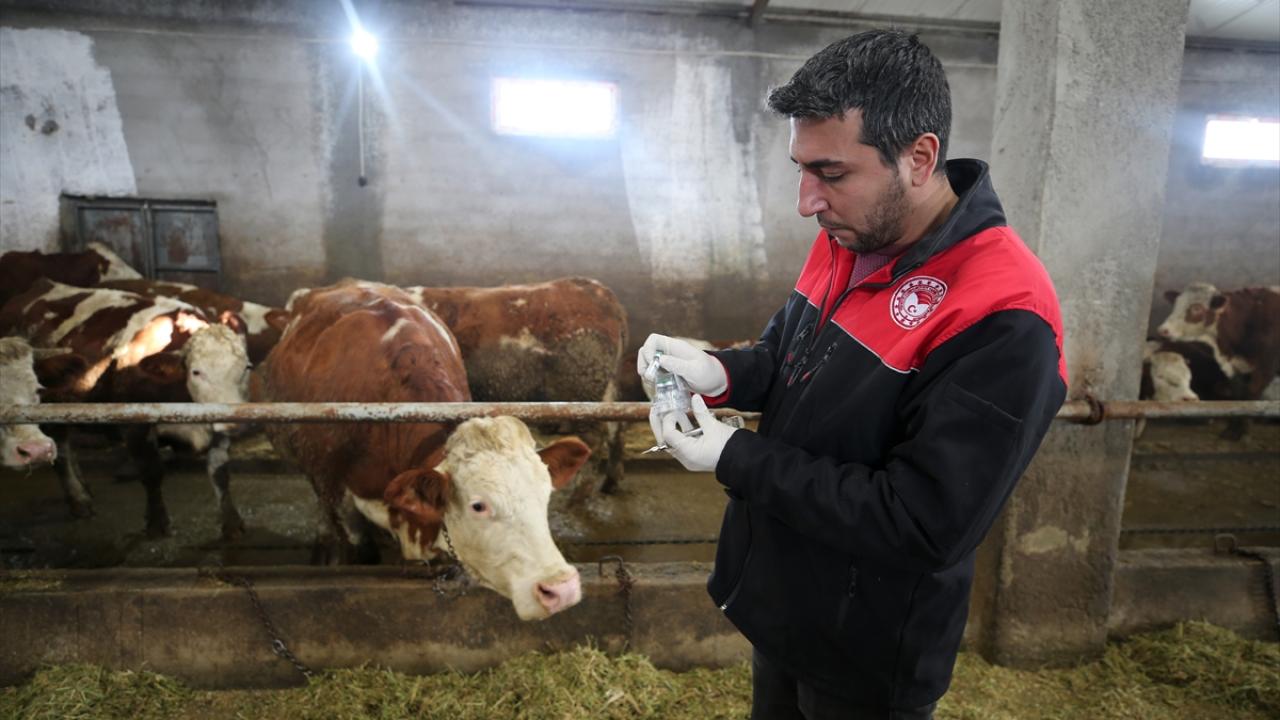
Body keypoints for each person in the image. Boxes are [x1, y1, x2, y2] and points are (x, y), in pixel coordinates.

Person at [638, 30, 1067, 720]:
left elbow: (925, 523)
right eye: (802, 169)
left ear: (919, 157)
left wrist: (736, 456)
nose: (807, 199)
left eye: (831, 173)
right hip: (785, 603)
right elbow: (790, 355)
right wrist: (720, 371)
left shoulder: (1003, 313)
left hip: (867, 647)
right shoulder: (852, 235)